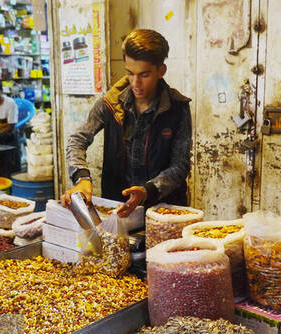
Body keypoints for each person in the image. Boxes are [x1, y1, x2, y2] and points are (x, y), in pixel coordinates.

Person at [61, 29, 192, 218]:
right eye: (130, 73)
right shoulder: (110, 103)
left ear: (161, 71)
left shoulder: (177, 108)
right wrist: (81, 178)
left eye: (144, 75)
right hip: (118, 208)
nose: (135, 83)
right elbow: (78, 139)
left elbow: (180, 165)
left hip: (163, 212)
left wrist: (147, 190)